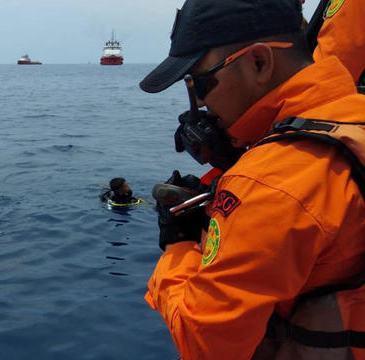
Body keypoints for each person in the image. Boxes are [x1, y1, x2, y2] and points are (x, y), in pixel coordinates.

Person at [139, 0, 365, 359]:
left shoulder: (268, 183)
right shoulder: (352, 119)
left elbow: (205, 344)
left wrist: (178, 244)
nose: (197, 103)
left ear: (259, 62)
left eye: (199, 82)